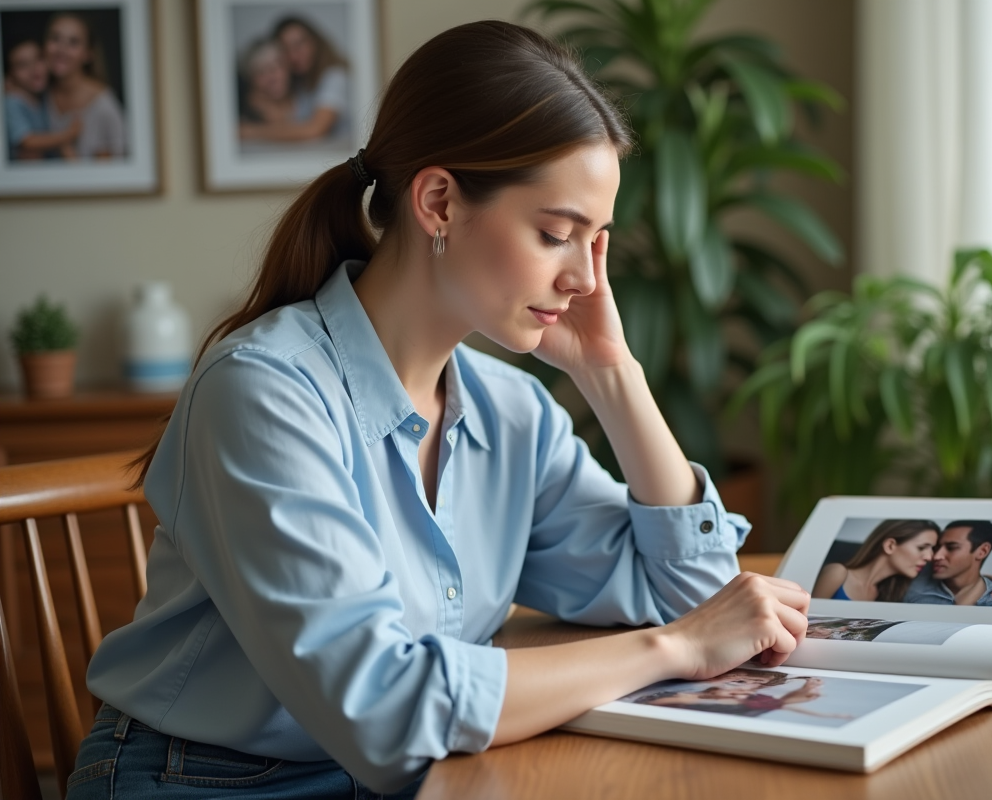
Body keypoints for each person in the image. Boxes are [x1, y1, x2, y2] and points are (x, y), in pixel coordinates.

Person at [66, 21, 812, 799]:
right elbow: (385, 708)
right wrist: (673, 650)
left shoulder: (510, 411)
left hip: (420, 778)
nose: (587, 281)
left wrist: (613, 375)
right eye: (557, 234)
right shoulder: (262, 394)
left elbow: (701, 597)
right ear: (438, 202)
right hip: (209, 784)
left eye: (599, 243)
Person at [239, 15, 350, 145]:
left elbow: (315, 129)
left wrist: (250, 131)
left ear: (315, 42)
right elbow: (290, 127)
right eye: (287, 49)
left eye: (300, 43)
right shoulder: (301, 85)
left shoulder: (334, 76)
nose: (295, 54)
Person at [43, 12, 126, 160]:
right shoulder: (39, 95)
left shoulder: (104, 106)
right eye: (55, 38)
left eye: (73, 42)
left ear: (88, 53)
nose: (61, 49)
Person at [635, 671, 852, 720]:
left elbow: (782, 703)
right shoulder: (690, 691)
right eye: (741, 682)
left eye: (750, 687)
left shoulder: (744, 703)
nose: (744, 689)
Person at [812, 520, 940, 602]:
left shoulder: (888, 595)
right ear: (890, 545)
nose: (929, 557)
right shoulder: (837, 573)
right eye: (922, 548)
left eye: (932, 549)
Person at [904, 520, 992, 606]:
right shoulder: (911, 579)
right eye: (937, 547)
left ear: (982, 551)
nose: (936, 556)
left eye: (951, 547)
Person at [4, 38, 79, 160]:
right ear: (9, 75)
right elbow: (27, 141)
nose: (34, 69)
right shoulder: (12, 101)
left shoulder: (45, 98)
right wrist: (67, 136)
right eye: (22, 65)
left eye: (38, 59)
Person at [237, 37, 296, 130]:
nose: (272, 78)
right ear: (250, 80)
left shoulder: (305, 95)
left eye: (275, 68)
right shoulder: (243, 112)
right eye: (261, 72)